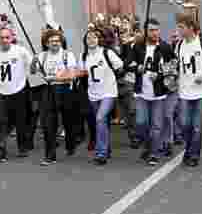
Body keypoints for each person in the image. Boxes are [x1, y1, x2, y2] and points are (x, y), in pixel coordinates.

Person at [70, 28, 123, 165]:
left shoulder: (107, 53)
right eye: (88, 38)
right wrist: (63, 76)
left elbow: (119, 66)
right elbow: (80, 72)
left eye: (94, 37)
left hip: (109, 92)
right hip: (93, 94)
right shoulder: (83, 55)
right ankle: (107, 148)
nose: (91, 40)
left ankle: (101, 153)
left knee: (100, 118)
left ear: (99, 39)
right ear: (85, 41)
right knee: (101, 122)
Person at [174, 16, 202, 168]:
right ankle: (189, 149)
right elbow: (176, 65)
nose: (179, 30)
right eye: (178, 27)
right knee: (184, 124)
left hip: (201, 92)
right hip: (184, 91)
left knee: (197, 125)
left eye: (181, 27)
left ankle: (193, 155)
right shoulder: (179, 45)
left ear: (191, 27)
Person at [130, 19, 175, 167]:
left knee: (156, 125)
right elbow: (128, 63)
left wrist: (160, 75)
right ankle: (148, 146)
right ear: (146, 31)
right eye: (151, 30)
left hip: (158, 93)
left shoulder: (165, 47)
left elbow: (173, 68)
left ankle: (153, 153)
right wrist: (137, 68)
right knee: (141, 122)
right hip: (141, 92)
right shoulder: (138, 46)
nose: (155, 33)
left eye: (157, 30)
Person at [32, 28, 80, 165]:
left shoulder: (67, 55)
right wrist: (34, 62)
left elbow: (71, 75)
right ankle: (50, 155)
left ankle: (70, 144)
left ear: (61, 42)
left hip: (65, 90)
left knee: (68, 121)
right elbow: (33, 71)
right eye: (52, 41)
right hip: (48, 90)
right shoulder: (42, 56)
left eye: (57, 41)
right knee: (48, 123)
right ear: (46, 43)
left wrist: (53, 77)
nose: (55, 43)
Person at [0, 27, 33, 163]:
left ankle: (22, 146)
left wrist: (36, 62)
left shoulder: (21, 51)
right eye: (1, 38)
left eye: (7, 37)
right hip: (1, 92)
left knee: (21, 121)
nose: (4, 40)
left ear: (12, 38)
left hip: (19, 90)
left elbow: (32, 68)